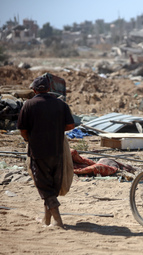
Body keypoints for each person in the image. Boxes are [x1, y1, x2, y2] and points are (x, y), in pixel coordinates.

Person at [17, 76, 75, 228]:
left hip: (38, 152)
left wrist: (28, 139)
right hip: (57, 151)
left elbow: (22, 129)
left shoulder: (28, 105)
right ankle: (46, 219)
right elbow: (70, 125)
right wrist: (55, 128)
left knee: (44, 186)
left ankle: (57, 221)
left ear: (34, 90)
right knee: (51, 186)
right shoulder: (60, 104)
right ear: (49, 89)